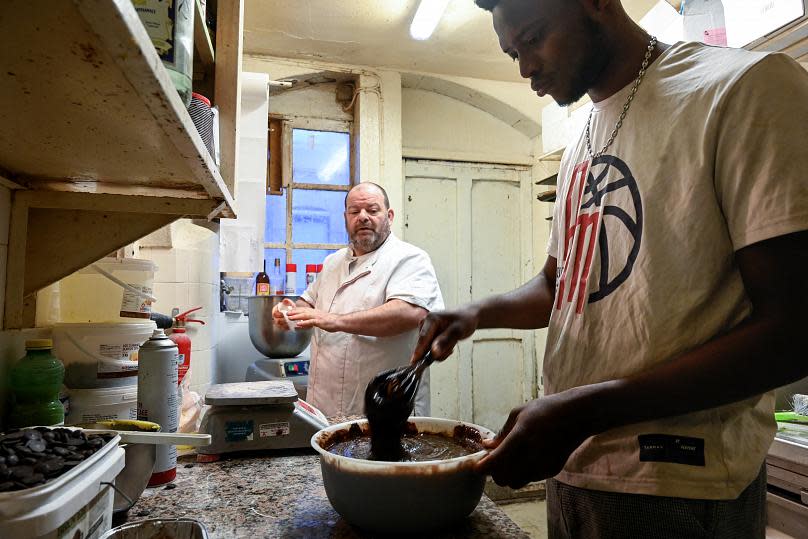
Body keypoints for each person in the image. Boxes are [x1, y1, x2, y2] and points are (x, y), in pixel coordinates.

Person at [411, 1, 808, 537]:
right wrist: (473, 313)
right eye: (512, 53)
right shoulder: (581, 137)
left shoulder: (742, 88)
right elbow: (562, 284)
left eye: (533, 37)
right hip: (573, 468)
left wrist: (582, 412)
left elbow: (794, 330)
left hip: (680, 485)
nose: (524, 67)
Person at [273, 182, 444, 418]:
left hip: (386, 407)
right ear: (346, 218)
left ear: (389, 216)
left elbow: (409, 313)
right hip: (325, 407)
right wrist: (289, 313)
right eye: (355, 212)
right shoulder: (333, 263)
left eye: (372, 211)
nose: (363, 217)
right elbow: (309, 303)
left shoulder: (410, 259)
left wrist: (334, 320)